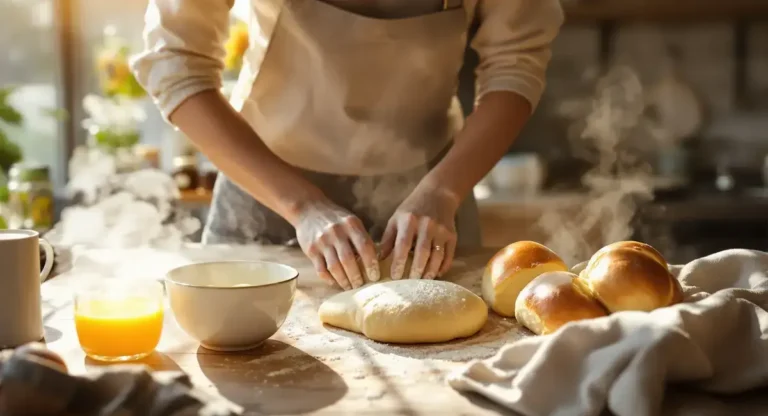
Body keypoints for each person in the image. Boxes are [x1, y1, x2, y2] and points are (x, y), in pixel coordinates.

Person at [131, 0, 564, 290]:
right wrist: (301, 205)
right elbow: (176, 63)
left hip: (432, 202)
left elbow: (514, 64)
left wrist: (443, 191)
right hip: (264, 193)